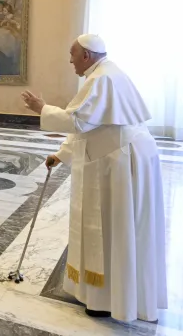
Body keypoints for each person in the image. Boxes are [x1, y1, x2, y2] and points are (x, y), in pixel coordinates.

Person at [21, 34, 167, 323]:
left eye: (72, 54)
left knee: (113, 228)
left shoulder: (101, 79)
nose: (70, 60)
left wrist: (43, 109)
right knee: (117, 229)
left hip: (119, 162)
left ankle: (109, 299)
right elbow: (88, 127)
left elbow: (77, 121)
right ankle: (109, 295)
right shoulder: (104, 73)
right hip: (117, 154)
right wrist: (62, 154)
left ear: (86, 55)